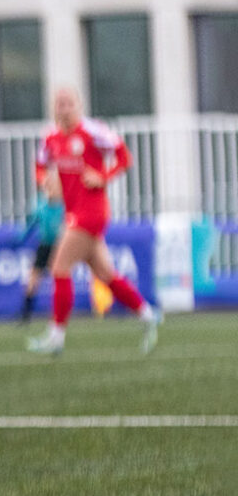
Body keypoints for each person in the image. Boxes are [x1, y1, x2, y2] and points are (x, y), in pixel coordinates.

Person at [26, 87, 159, 356]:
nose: (64, 108)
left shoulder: (92, 131)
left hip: (92, 212)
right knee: (106, 275)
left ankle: (56, 337)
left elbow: (124, 156)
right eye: (59, 104)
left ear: (79, 105)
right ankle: (147, 314)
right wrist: (44, 181)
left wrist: (104, 176)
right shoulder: (50, 138)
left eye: (69, 103)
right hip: (73, 213)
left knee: (59, 267)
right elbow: (39, 166)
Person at [17, 171, 65, 323]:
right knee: (33, 277)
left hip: (61, 246)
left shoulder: (65, 204)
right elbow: (31, 224)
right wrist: (19, 238)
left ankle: (60, 314)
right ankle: (26, 313)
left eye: (52, 184)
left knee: (60, 277)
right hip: (44, 245)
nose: (48, 187)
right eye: (46, 184)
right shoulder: (40, 204)